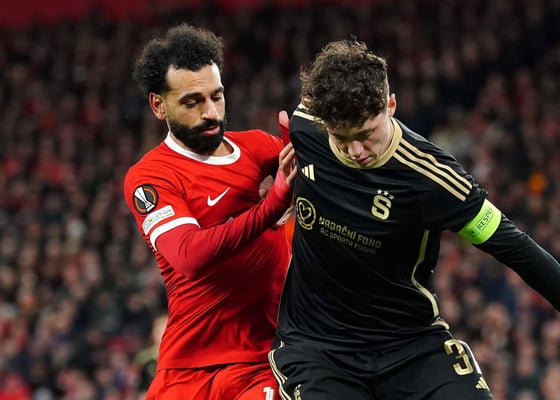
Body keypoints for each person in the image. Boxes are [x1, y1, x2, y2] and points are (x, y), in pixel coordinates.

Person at [268, 38, 560, 400]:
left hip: (411, 345)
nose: (355, 151)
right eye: (341, 139)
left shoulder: (433, 179)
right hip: (317, 347)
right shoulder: (306, 127)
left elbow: (516, 247)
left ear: (391, 105)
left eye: (366, 134)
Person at [123, 23, 296, 400]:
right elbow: (190, 255)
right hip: (185, 368)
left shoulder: (259, 149)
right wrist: (274, 205)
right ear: (158, 105)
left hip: (262, 362)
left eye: (216, 96)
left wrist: (303, 181)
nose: (211, 112)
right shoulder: (150, 176)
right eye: (192, 102)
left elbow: (325, 177)